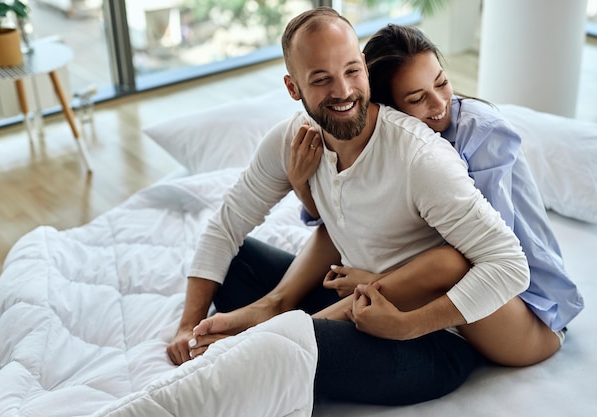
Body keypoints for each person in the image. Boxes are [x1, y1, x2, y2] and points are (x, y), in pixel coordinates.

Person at [167, 7, 530, 405]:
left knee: (285, 348)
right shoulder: (293, 140)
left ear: (365, 70)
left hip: (429, 338)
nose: (342, 91)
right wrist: (188, 326)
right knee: (235, 263)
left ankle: (266, 336)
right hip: (353, 301)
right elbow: (227, 224)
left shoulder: (420, 157)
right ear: (294, 88)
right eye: (321, 79)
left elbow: (508, 264)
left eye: (352, 71)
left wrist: (407, 325)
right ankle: (273, 323)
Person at [291, 23, 584, 366]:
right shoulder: (388, 143)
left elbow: (489, 255)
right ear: (386, 109)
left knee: (445, 261)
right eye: (416, 99)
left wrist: (378, 281)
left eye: (442, 82)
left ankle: (291, 336)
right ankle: (284, 319)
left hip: (527, 308)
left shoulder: (481, 134)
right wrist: (301, 185)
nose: (441, 103)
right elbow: (346, 218)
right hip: (454, 300)